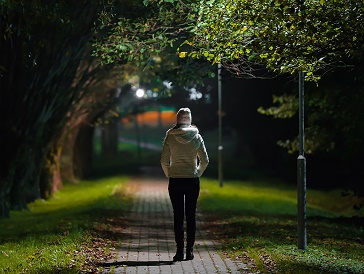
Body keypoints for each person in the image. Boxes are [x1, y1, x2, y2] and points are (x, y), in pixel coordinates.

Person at [160, 107, 209, 261]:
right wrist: (196, 173)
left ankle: (179, 251)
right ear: (190, 119)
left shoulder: (170, 135)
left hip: (175, 180)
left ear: (177, 119)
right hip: (192, 180)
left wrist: (170, 174)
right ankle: (190, 251)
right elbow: (205, 160)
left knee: (178, 216)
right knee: (191, 215)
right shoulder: (196, 136)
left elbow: (163, 160)